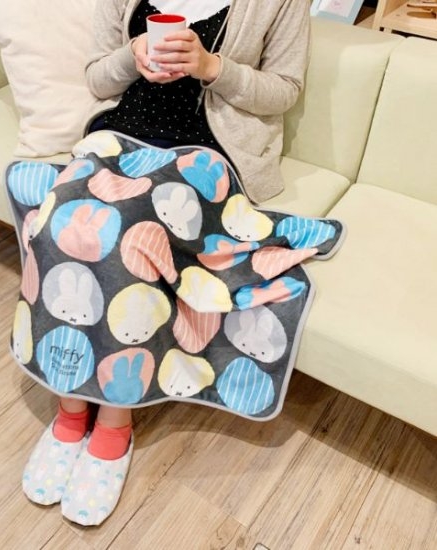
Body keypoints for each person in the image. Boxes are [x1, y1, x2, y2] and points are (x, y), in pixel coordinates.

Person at [18, 0, 311, 527]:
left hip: (204, 156)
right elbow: (97, 78)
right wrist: (131, 56)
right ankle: (70, 404)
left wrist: (212, 67)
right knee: (59, 220)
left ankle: (114, 419)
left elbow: (285, 90)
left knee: (129, 231)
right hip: (117, 140)